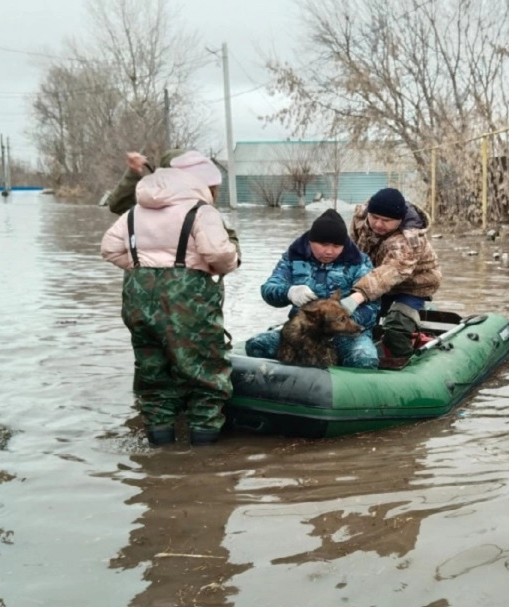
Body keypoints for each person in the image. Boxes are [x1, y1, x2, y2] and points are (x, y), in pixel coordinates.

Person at [100, 150, 239, 447]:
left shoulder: (135, 210)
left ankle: (159, 458)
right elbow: (218, 253)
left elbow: (109, 249)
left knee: (153, 373)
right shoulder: (201, 211)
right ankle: (204, 461)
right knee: (205, 372)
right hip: (186, 296)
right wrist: (226, 262)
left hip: (138, 295)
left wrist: (144, 268)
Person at [244, 209, 380, 368]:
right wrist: (289, 292)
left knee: (365, 360)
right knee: (256, 345)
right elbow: (269, 288)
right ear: (311, 241)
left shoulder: (360, 262)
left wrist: (341, 320)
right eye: (323, 244)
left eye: (336, 246)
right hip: (302, 332)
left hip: (347, 334)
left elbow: (373, 305)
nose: (329, 251)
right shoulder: (294, 258)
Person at [341, 187, 441, 369]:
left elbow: (390, 273)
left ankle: (403, 363)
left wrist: (357, 295)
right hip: (374, 279)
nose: (378, 224)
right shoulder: (361, 219)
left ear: (400, 220)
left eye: (386, 221)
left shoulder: (409, 240)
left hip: (413, 285)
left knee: (396, 326)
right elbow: (352, 252)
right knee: (360, 319)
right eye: (375, 218)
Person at [105, 149, 240, 263]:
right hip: (189, 287)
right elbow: (117, 205)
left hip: (146, 288)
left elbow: (111, 249)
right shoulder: (148, 203)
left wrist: (136, 267)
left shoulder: (147, 204)